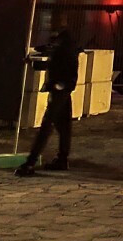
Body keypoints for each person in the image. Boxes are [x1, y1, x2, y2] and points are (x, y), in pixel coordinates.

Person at [17, 28, 78, 177]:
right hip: (61, 89)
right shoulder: (64, 44)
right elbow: (54, 64)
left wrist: (61, 85)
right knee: (63, 126)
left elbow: (60, 65)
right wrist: (34, 64)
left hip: (59, 90)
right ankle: (62, 159)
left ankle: (30, 163)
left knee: (47, 126)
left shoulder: (63, 46)